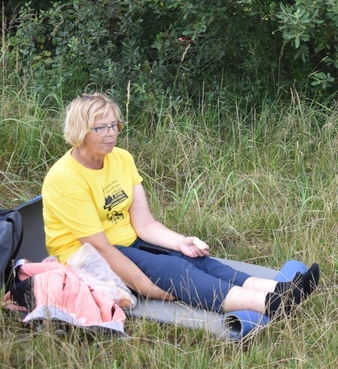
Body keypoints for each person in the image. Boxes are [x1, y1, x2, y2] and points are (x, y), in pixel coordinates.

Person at [42, 93, 319, 317]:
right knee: (177, 272)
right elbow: (100, 248)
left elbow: (145, 223)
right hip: (86, 256)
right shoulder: (65, 177)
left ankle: (282, 287)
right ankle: (273, 304)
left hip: (127, 242)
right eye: (101, 127)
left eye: (115, 125)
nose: (111, 133)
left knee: (194, 259)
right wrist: (146, 287)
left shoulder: (121, 158)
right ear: (80, 131)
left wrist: (180, 242)